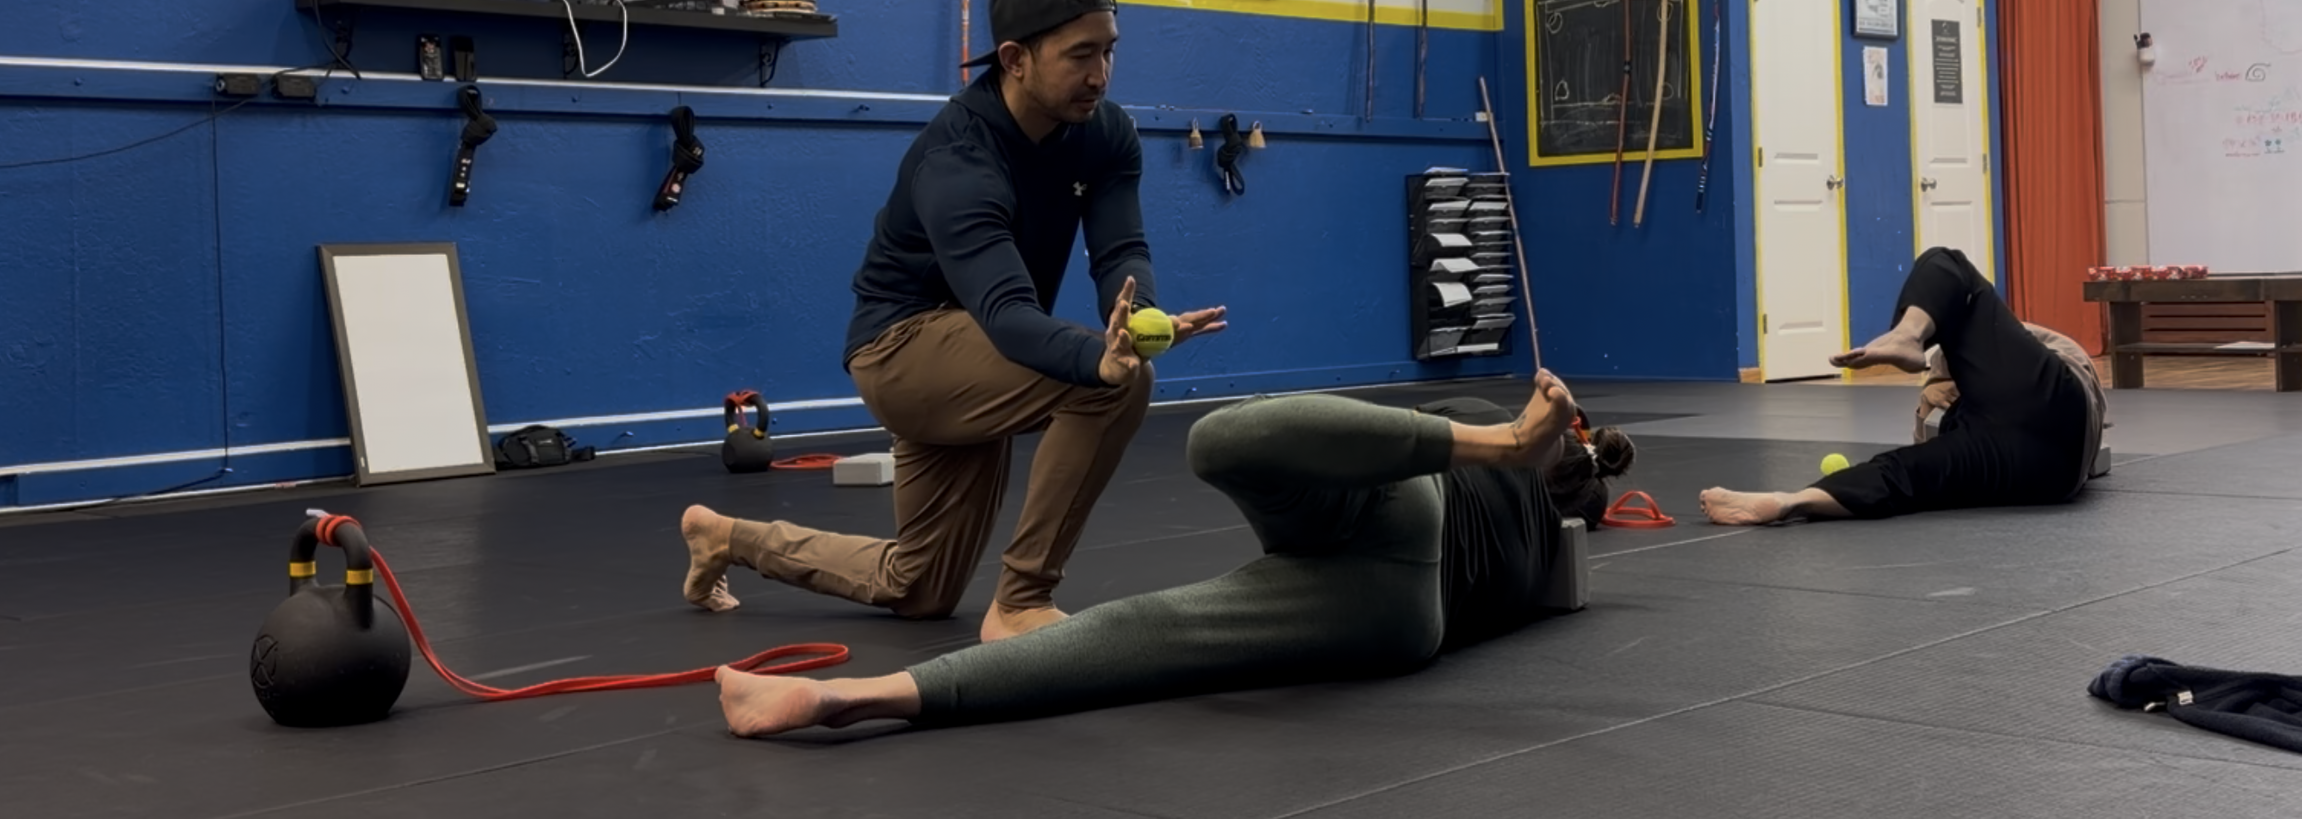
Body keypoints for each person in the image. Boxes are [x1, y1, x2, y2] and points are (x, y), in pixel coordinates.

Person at [679, 0, 1226, 642]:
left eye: (1109, 51)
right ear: (1014, 58)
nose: (1100, 74)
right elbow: (1005, 314)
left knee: (920, 586)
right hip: (901, 350)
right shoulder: (959, 158)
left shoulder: (1105, 134)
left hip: (981, 354)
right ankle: (1023, 599)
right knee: (1111, 384)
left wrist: (1136, 317)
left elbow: (1120, 253)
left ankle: (723, 537)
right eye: (1080, 54)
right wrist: (1104, 360)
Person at [709, 373, 1637, 738]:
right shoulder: (1556, 538)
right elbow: (1576, 502)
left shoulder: (1536, 453)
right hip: (1404, 619)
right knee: (1153, 633)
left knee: (1220, 442)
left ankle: (867, 696)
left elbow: (1548, 453)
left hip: (1404, 504)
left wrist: (1528, 438)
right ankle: (854, 699)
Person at [1699, 246, 2108, 525]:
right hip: (2047, 472)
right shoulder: (1983, 399)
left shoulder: (2029, 356)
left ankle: (1907, 335)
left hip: (2047, 427)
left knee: (1947, 263)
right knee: (1897, 473)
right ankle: (1789, 500)